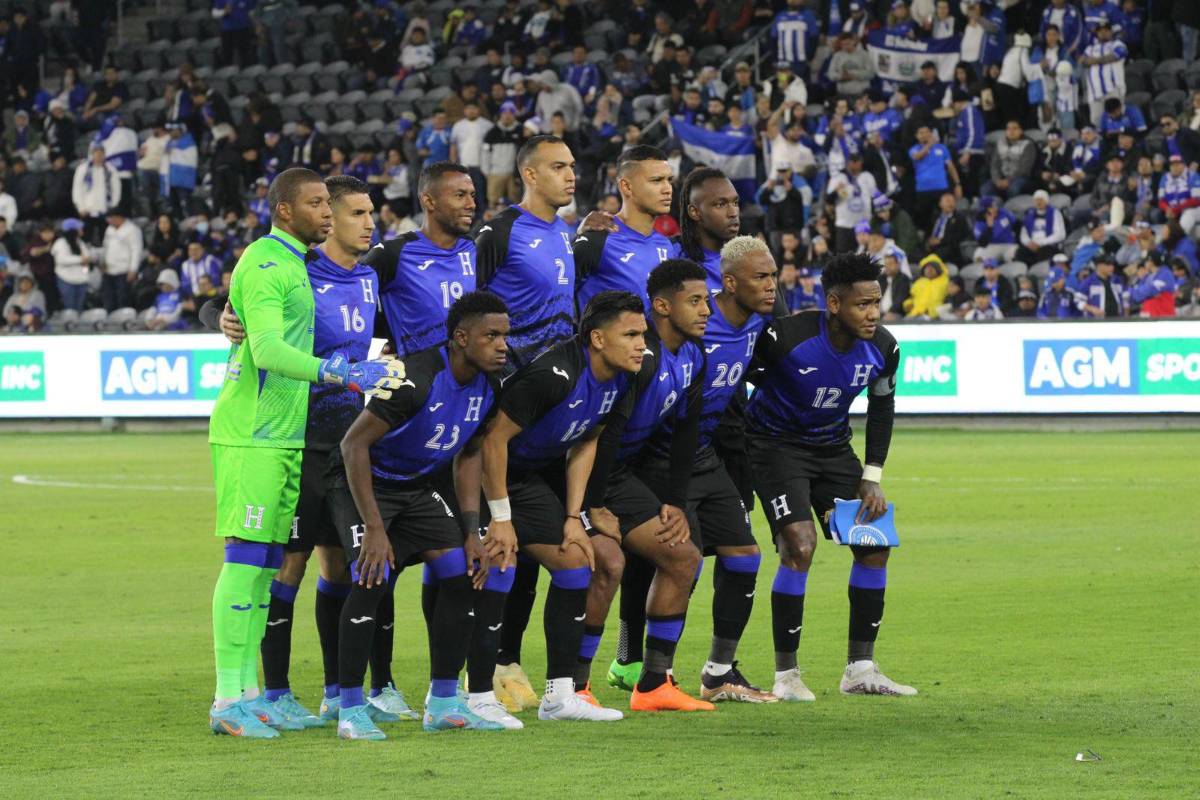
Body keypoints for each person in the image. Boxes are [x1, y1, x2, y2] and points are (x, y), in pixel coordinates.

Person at [205, 168, 404, 739]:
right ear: (287, 211)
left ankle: (249, 695)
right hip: (255, 433)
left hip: (287, 435)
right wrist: (336, 372)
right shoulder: (271, 262)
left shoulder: (295, 263)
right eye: (317, 203)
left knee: (265, 570)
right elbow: (265, 346)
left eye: (327, 202)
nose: (326, 211)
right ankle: (228, 701)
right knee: (246, 566)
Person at [333, 292, 514, 738]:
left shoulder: (491, 384)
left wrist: (472, 530)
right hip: (364, 483)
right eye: (491, 336)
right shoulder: (415, 379)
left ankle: (444, 702)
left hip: (415, 488)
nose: (502, 345)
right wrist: (374, 528)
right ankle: (351, 710)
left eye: (505, 336)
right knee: (370, 576)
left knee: (460, 574)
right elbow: (353, 446)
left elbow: (469, 454)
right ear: (460, 338)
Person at [745, 251, 914, 700]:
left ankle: (860, 670)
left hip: (832, 449)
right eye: (863, 304)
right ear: (835, 304)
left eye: (877, 302)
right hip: (775, 448)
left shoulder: (884, 348)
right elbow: (738, 383)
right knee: (800, 545)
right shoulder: (787, 337)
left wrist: (871, 474)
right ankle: (787, 675)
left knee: (873, 544)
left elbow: (882, 407)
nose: (873, 313)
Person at [479, 290, 644, 723]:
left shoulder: (623, 377)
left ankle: (559, 697)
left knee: (574, 565)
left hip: (528, 478)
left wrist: (575, 517)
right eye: (630, 334)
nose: (641, 343)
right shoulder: (553, 374)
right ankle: (476, 696)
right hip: (482, 476)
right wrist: (500, 518)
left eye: (642, 334)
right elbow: (491, 441)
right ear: (597, 338)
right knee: (500, 565)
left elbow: (586, 441)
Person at [634, 236, 780, 704]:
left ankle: (719, 673)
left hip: (704, 454)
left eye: (774, 275)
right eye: (761, 277)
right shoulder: (693, 324)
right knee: (682, 561)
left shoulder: (758, 323)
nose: (772, 285)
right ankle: (654, 677)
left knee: (744, 555)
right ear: (731, 282)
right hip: (656, 456)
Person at [574, 260, 712, 712]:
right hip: (584, 472)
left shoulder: (695, 354)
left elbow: (686, 432)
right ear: (662, 306)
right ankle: (573, 686)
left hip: (620, 474)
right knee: (607, 563)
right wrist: (592, 506)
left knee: (683, 557)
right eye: (695, 301)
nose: (706, 310)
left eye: (706, 300)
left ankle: (654, 684)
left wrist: (674, 500)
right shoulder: (640, 357)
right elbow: (604, 433)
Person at [364, 162, 480, 358]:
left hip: (473, 380)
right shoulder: (393, 254)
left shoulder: (472, 248)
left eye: (472, 195)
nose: (471, 204)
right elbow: (351, 299)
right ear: (429, 201)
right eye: (460, 195)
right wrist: (383, 341)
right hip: (420, 383)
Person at [575, 146, 677, 314]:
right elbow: (554, 293)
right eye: (656, 180)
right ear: (627, 187)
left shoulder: (665, 245)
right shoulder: (597, 239)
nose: (667, 189)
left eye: (669, 180)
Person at [676, 168, 742, 294]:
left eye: (735, 203)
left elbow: (780, 313)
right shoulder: (670, 253)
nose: (733, 213)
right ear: (694, 212)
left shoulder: (750, 260)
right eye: (720, 204)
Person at [827, 153, 876, 253]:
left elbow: (875, 197)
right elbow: (828, 200)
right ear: (847, 163)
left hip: (863, 223)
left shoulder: (867, 176)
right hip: (844, 224)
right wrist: (836, 191)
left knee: (865, 256)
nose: (855, 164)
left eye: (857, 161)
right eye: (852, 162)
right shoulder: (838, 177)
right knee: (844, 257)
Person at [1080, 21, 1126, 127]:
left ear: (1111, 32)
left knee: (1117, 119)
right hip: (1095, 92)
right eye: (1100, 31)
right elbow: (1082, 60)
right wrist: (1090, 61)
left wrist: (1095, 61)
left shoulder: (1117, 44)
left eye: (1106, 30)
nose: (1103, 33)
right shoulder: (1090, 48)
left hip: (1113, 89)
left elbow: (1116, 55)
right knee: (1096, 123)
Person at [72, 146, 121, 245]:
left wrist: (113, 208)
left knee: (106, 239)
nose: (99, 157)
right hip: (87, 210)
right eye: (97, 154)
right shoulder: (83, 169)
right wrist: (80, 207)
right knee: (86, 239)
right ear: (92, 155)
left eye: (101, 154)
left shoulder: (110, 169)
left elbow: (116, 189)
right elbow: (77, 189)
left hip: (105, 209)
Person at [99, 210, 143, 311]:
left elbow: (136, 250)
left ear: (118, 217)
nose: (109, 222)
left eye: (110, 219)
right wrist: (103, 262)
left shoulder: (132, 230)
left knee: (123, 299)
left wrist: (133, 269)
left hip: (124, 271)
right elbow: (105, 247)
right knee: (108, 299)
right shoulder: (109, 229)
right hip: (109, 270)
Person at [52, 219, 94, 312]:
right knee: (70, 308)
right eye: (80, 229)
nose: (82, 231)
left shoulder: (80, 242)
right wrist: (80, 259)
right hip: (66, 280)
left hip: (81, 280)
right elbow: (61, 260)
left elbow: (86, 258)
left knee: (80, 308)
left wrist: (86, 274)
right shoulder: (61, 243)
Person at [1016, 190, 1066, 265]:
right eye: (1036, 200)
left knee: (1044, 252)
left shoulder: (1055, 213)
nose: (1038, 202)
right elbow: (1024, 234)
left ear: (1046, 201)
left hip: (1048, 245)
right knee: (1021, 252)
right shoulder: (1029, 214)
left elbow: (1060, 234)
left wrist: (1041, 243)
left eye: (1041, 200)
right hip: (1032, 245)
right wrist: (1028, 243)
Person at [1157, 156, 1200, 234]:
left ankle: (1180, 237)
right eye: (1172, 165)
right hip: (1173, 211)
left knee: (1189, 212)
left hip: (1194, 210)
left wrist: (1177, 209)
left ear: (1183, 165)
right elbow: (1161, 201)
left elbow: (1196, 200)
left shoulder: (1193, 176)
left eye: (1177, 164)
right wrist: (1167, 209)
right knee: (1157, 214)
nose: (1175, 167)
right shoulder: (1164, 178)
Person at [926, 192, 971, 265]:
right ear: (940, 204)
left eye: (953, 201)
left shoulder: (959, 218)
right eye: (947, 201)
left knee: (938, 255)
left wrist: (940, 241)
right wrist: (927, 242)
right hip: (931, 247)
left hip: (948, 248)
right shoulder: (934, 217)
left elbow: (959, 236)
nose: (951, 204)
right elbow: (927, 232)